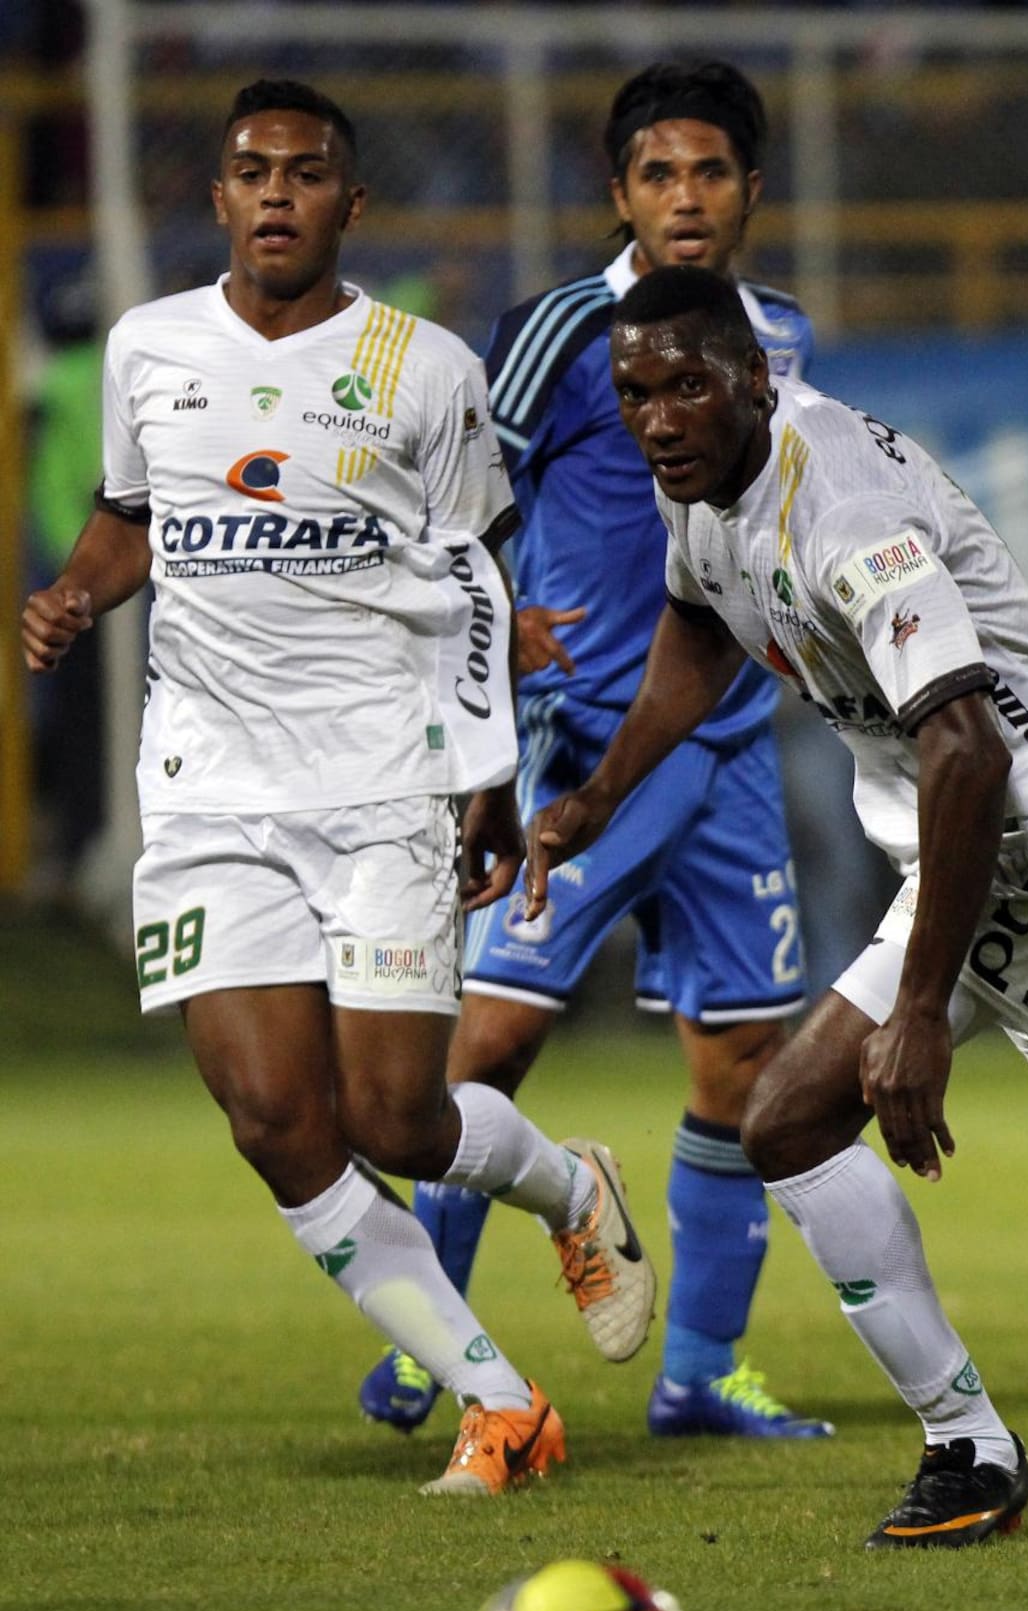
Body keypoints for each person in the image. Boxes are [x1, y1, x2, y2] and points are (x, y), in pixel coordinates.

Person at [20, 78, 657, 1499]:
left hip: (383, 786)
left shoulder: (423, 367)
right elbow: (132, 517)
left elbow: (479, 579)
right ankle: (503, 1404)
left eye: (305, 173)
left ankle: (570, 1187)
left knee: (394, 1120)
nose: (275, 193)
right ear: (219, 198)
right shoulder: (147, 347)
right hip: (206, 790)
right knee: (271, 1120)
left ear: (349, 204)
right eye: (252, 171)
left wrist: (489, 778)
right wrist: (74, 591)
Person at [525, 263, 1028, 1548]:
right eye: (635, 394)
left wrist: (924, 1010)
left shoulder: (841, 509)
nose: (658, 419)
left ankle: (969, 1450)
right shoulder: (701, 480)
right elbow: (698, 627)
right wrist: (601, 795)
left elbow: (968, 750)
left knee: (785, 1120)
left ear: (753, 379)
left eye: (685, 387)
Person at [359, 61, 834, 1444]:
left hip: (731, 746)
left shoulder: (781, 332)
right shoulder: (560, 327)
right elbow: (456, 493)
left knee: (742, 1063)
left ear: (752, 189)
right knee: (487, 1047)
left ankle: (700, 1373)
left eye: (712, 172)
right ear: (620, 191)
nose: (687, 197)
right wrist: (489, 624)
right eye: (659, 174)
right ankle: (433, 1344)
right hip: (584, 744)